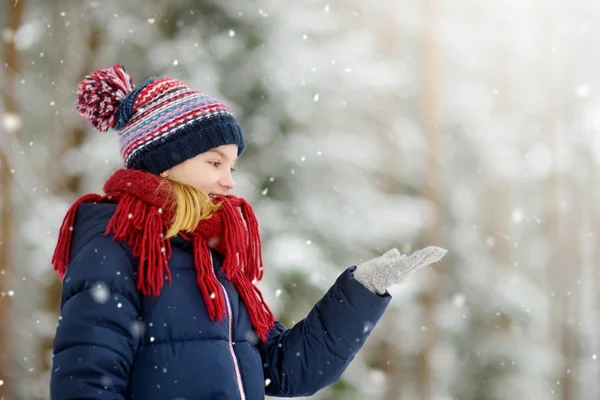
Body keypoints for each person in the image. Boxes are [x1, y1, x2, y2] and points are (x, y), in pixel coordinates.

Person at [49, 64, 447, 400]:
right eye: (215, 162)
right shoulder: (115, 246)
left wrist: (363, 290)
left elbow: (285, 369)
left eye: (232, 167)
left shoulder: (211, 256)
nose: (229, 182)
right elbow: (88, 381)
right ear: (166, 160)